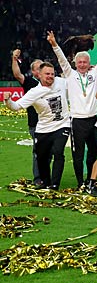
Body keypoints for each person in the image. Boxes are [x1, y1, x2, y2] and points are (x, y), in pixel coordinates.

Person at [48, 29, 97, 188]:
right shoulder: (70, 74)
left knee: (93, 153)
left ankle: (89, 180)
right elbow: (61, 59)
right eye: (79, 62)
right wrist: (54, 44)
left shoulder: (94, 73)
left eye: (85, 62)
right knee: (78, 154)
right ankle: (80, 182)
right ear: (76, 63)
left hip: (93, 120)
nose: (82, 64)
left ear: (88, 63)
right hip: (77, 121)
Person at [4, 62, 70, 190]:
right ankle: (45, 182)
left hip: (62, 125)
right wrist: (8, 100)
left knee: (58, 152)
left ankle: (55, 184)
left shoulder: (61, 82)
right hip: (43, 128)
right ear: (39, 75)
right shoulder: (34, 92)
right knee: (41, 157)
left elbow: (75, 79)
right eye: (47, 74)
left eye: (52, 74)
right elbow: (16, 106)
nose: (50, 76)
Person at [11, 49, 43, 185]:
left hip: (52, 123)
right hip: (35, 123)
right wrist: (14, 59)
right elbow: (17, 75)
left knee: (51, 152)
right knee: (38, 151)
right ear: (34, 72)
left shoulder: (52, 81)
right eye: (39, 68)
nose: (43, 70)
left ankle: (46, 177)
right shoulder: (30, 82)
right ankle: (38, 178)